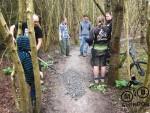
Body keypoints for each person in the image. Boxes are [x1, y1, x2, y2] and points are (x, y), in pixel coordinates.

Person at [87, 12, 112, 84]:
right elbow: (109, 38)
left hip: (96, 50)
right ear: (104, 21)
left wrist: (90, 44)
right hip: (104, 49)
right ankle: (102, 79)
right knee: (103, 65)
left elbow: (90, 40)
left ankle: (96, 80)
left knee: (96, 65)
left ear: (97, 21)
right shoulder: (107, 29)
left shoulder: (93, 29)